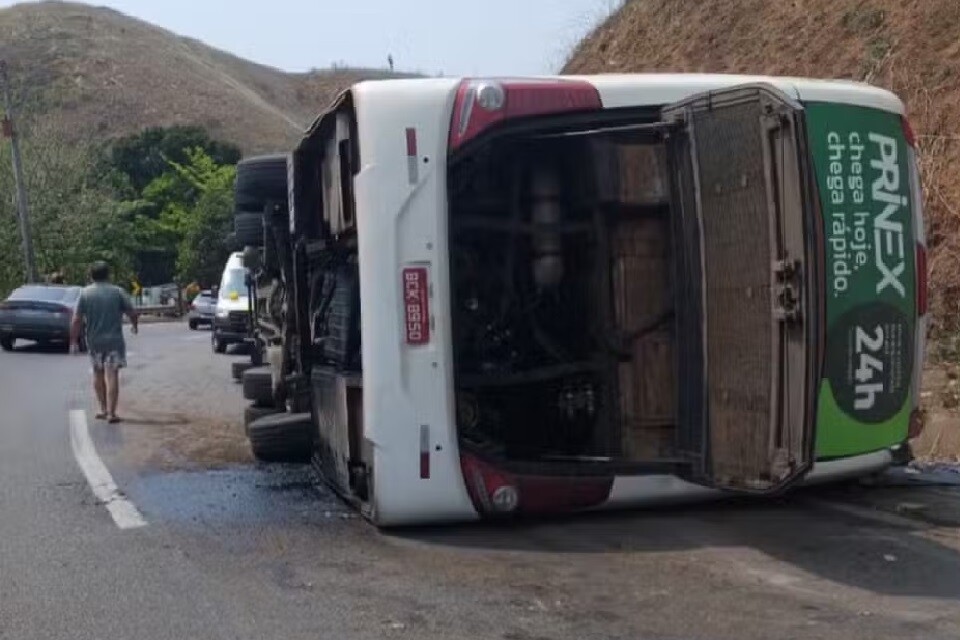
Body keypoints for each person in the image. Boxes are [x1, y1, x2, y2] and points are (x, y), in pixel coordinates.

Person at [70, 261, 139, 423]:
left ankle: (102, 408)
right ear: (108, 275)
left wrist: (73, 340)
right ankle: (111, 413)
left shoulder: (85, 293)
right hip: (114, 341)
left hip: (94, 341)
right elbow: (132, 312)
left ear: (91, 276)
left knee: (98, 373)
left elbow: (76, 319)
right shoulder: (118, 292)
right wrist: (135, 326)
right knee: (112, 374)